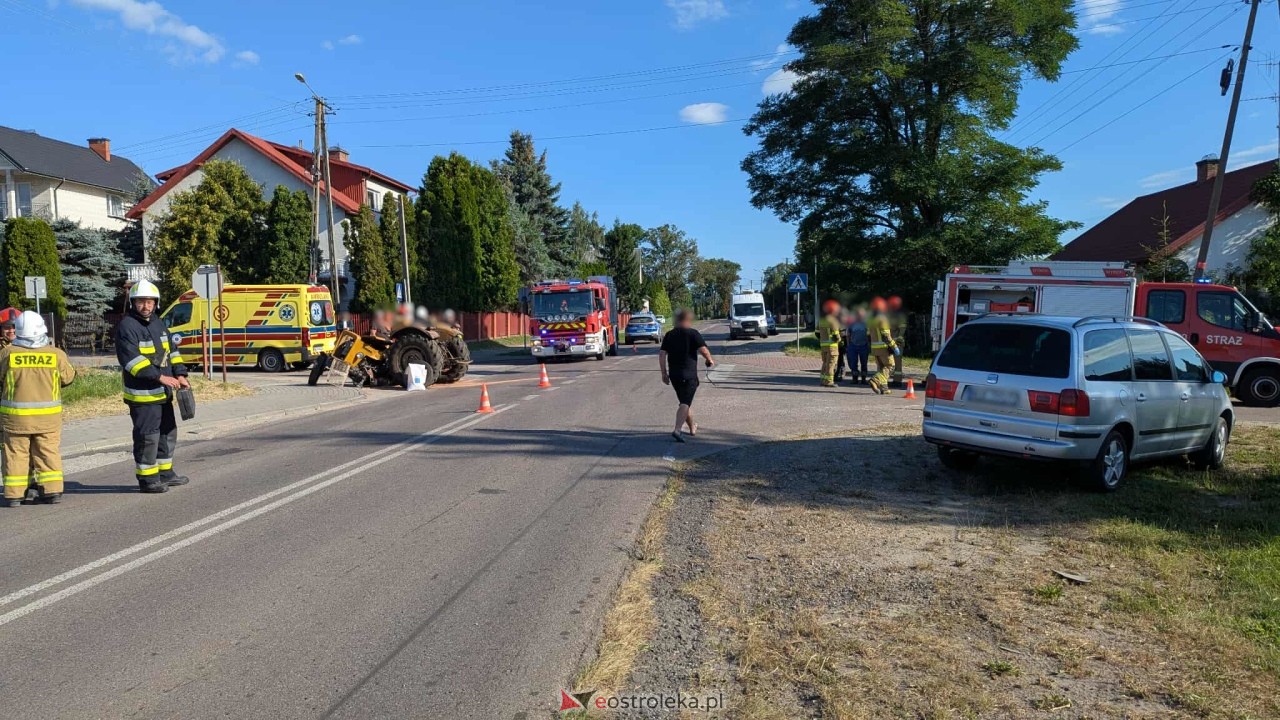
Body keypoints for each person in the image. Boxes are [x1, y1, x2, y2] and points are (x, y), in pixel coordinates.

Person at [117, 280, 190, 494]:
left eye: (149, 301)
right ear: (133, 303)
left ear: (156, 303)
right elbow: (132, 361)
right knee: (148, 436)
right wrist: (159, 377)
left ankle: (165, 472)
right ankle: (147, 479)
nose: (145, 306)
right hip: (143, 395)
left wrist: (181, 373)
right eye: (141, 301)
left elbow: (172, 351)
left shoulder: (158, 323)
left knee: (167, 432)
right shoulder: (127, 326)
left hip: (163, 392)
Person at [1, 312, 76, 507]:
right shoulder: (55, 354)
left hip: (15, 419)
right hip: (47, 419)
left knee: (15, 454)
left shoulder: (8, 353)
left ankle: (14, 495)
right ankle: (51, 492)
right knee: (47, 452)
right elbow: (68, 378)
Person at [659, 309, 714, 443]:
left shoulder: (669, 335)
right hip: (689, 376)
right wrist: (710, 360)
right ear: (688, 319)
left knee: (685, 402)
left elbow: (662, 354)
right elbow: (703, 350)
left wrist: (664, 373)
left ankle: (692, 427)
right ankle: (677, 430)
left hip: (674, 376)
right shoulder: (693, 333)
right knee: (685, 402)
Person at [867, 297, 901, 396]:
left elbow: (869, 335)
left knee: (881, 368)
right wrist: (894, 347)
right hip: (884, 348)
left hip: (875, 348)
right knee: (890, 366)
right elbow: (886, 336)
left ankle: (884, 388)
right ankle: (875, 380)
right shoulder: (883, 319)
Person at [816, 299, 842, 388]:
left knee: (825, 363)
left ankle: (823, 380)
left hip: (823, 346)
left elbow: (817, 333)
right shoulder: (833, 320)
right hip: (832, 347)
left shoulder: (821, 320)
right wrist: (840, 341)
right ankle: (829, 381)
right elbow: (836, 336)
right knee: (831, 364)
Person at [888, 295, 907, 386]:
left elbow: (902, 328)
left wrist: (898, 339)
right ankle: (887, 380)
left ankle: (897, 381)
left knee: (897, 363)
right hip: (890, 342)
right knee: (889, 362)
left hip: (897, 343)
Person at [847, 308, 870, 385]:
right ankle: (855, 379)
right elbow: (848, 334)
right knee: (853, 363)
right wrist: (848, 345)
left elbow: (870, 335)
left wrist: (869, 344)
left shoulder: (866, 323)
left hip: (864, 346)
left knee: (864, 363)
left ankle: (863, 379)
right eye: (858, 315)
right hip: (853, 346)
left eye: (861, 315)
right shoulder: (852, 323)